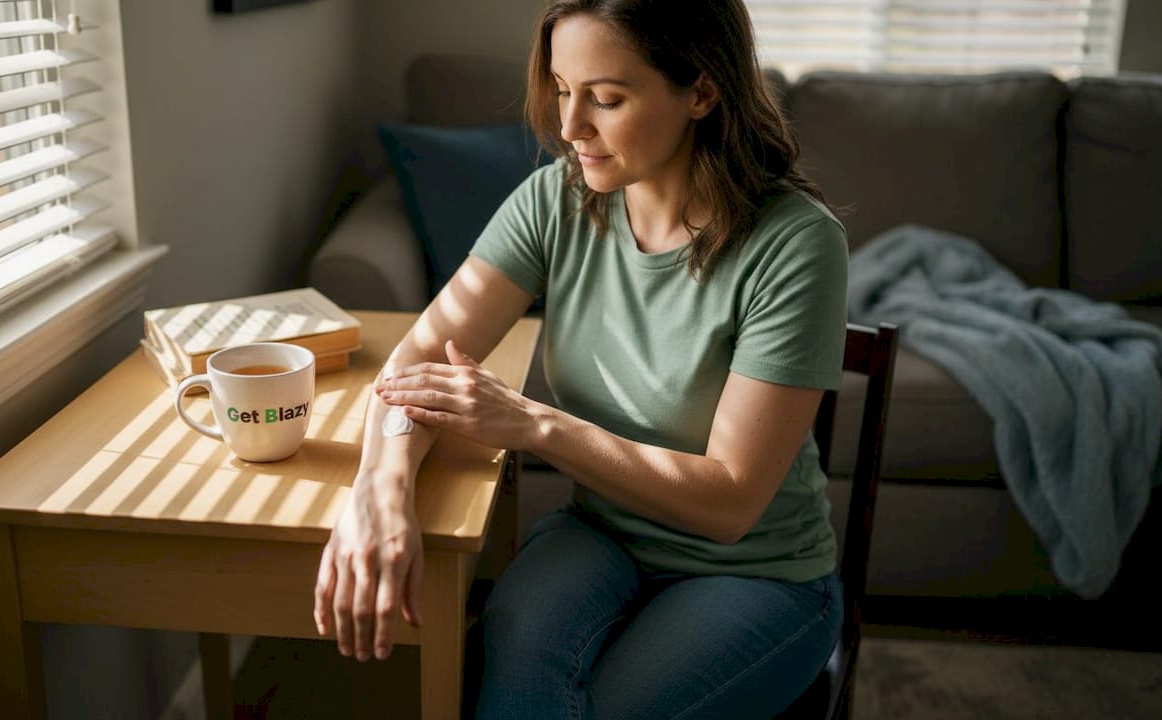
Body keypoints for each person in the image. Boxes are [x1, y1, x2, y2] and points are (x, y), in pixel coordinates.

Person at [313, 0, 848, 716]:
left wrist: (535, 425)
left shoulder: (796, 245)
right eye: (563, 90)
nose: (569, 127)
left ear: (702, 91)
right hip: (605, 534)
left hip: (757, 572)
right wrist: (379, 493)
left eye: (607, 98)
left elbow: (730, 503)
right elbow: (414, 365)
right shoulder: (556, 201)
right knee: (510, 682)